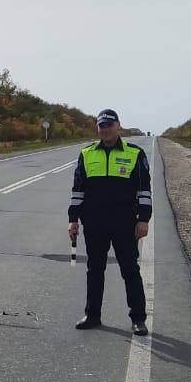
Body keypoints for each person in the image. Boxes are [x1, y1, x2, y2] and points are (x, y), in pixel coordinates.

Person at [67, 109, 151, 336]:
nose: (105, 129)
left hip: (124, 222)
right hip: (94, 222)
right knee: (95, 270)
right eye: (101, 126)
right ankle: (92, 315)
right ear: (98, 128)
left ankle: (138, 319)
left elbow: (144, 191)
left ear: (118, 126)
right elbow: (78, 190)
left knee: (130, 270)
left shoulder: (135, 153)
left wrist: (143, 220)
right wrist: (72, 219)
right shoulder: (86, 154)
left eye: (109, 125)